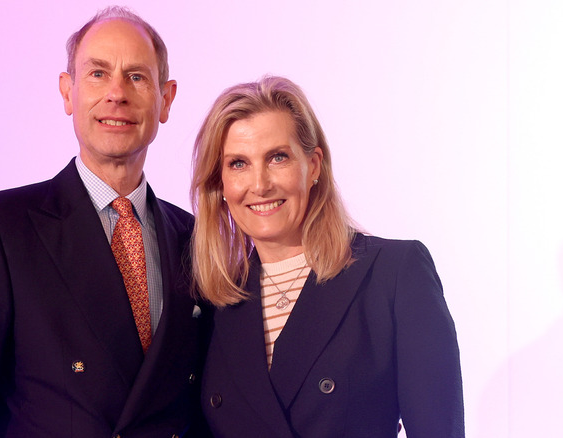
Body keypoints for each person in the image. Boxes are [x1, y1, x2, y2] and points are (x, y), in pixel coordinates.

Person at [0, 7, 210, 438]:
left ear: (165, 99)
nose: (117, 93)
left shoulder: (195, 240)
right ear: (67, 92)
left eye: (136, 76)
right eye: (97, 74)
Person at [190, 76, 464, 437]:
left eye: (277, 158)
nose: (259, 184)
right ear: (220, 183)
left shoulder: (394, 274)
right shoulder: (214, 304)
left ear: (314, 165)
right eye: (238, 163)